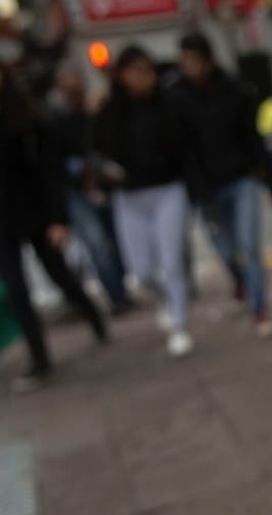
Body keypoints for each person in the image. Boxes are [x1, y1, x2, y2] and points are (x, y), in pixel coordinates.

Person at [0, 65, 107, 392]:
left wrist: (57, 218)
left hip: (36, 215)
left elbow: (50, 173)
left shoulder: (27, 120)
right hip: (2, 222)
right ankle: (39, 357)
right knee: (17, 289)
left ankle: (93, 316)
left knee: (59, 276)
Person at [170, 32, 272, 338]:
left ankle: (259, 309)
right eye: (184, 61)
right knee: (226, 250)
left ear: (207, 60)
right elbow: (182, 152)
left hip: (242, 179)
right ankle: (241, 281)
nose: (189, 67)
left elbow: (254, 139)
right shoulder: (177, 98)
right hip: (207, 190)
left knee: (250, 247)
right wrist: (195, 192)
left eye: (193, 60)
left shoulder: (235, 91)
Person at [94, 45, 193, 357]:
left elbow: (185, 148)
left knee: (172, 262)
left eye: (147, 70)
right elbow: (96, 150)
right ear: (122, 75)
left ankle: (179, 323)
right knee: (142, 271)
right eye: (135, 71)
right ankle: (164, 300)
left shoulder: (168, 104)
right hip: (130, 196)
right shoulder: (111, 110)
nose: (142, 78)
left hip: (168, 190)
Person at [48, 65, 132, 315]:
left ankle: (121, 289)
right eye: (67, 88)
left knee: (116, 240)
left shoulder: (93, 114)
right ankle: (116, 296)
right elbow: (53, 162)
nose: (73, 92)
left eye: (76, 87)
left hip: (103, 185)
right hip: (77, 192)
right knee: (97, 244)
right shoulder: (55, 121)